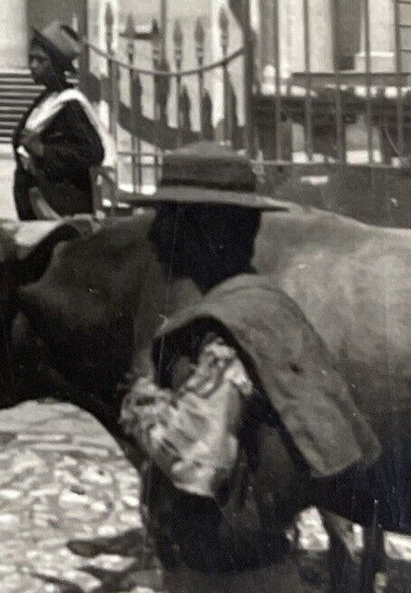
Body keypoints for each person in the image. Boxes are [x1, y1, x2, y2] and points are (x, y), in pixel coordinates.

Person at [118, 142, 379, 593]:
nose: (155, 237)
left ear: (205, 232)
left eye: (167, 220)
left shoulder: (225, 332)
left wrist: (142, 404)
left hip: (225, 578)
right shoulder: (264, 306)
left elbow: (196, 462)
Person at [12, 21, 105, 219]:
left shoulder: (70, 104)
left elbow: (94, 152)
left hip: (62, 211)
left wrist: (44, 150)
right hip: (36, 208)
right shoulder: (44, 101)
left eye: (40, 60)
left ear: (57, 65)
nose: (32, 65)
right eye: (31, 58)